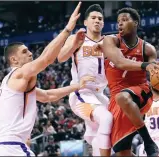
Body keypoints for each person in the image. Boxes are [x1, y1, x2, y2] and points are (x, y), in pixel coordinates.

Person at [0, 2, 93, 156]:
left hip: (2, 147)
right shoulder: (18, 74)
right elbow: (46, 58)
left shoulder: (14, 86)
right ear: (14, 60)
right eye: (25, 52)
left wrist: (77, 86)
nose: (31, 54)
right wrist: (67, 29)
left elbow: (48, 96)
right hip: (11, 147)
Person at [96, 7, 159, 156]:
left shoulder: (148, 49)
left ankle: (148, 142)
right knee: (122, 152)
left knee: (123, 96)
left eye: (125, 20)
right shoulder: (110, 41)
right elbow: (120, 62)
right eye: (118, 21)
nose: (120, 24)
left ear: (136, 23)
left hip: (140, 91)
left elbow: (156, 78)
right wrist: (145, 65)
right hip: (116, 98)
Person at [58, 4, 113, 156]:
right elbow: (61, 57)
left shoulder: (109, 42)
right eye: (93, 18)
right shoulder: (77, 38)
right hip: (81, 93)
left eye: (100, 19)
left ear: (103, 23)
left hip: (100, 95)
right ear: (85, 22)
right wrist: (74, 44)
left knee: (105, 133)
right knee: (107, 119)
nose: (97, 21)